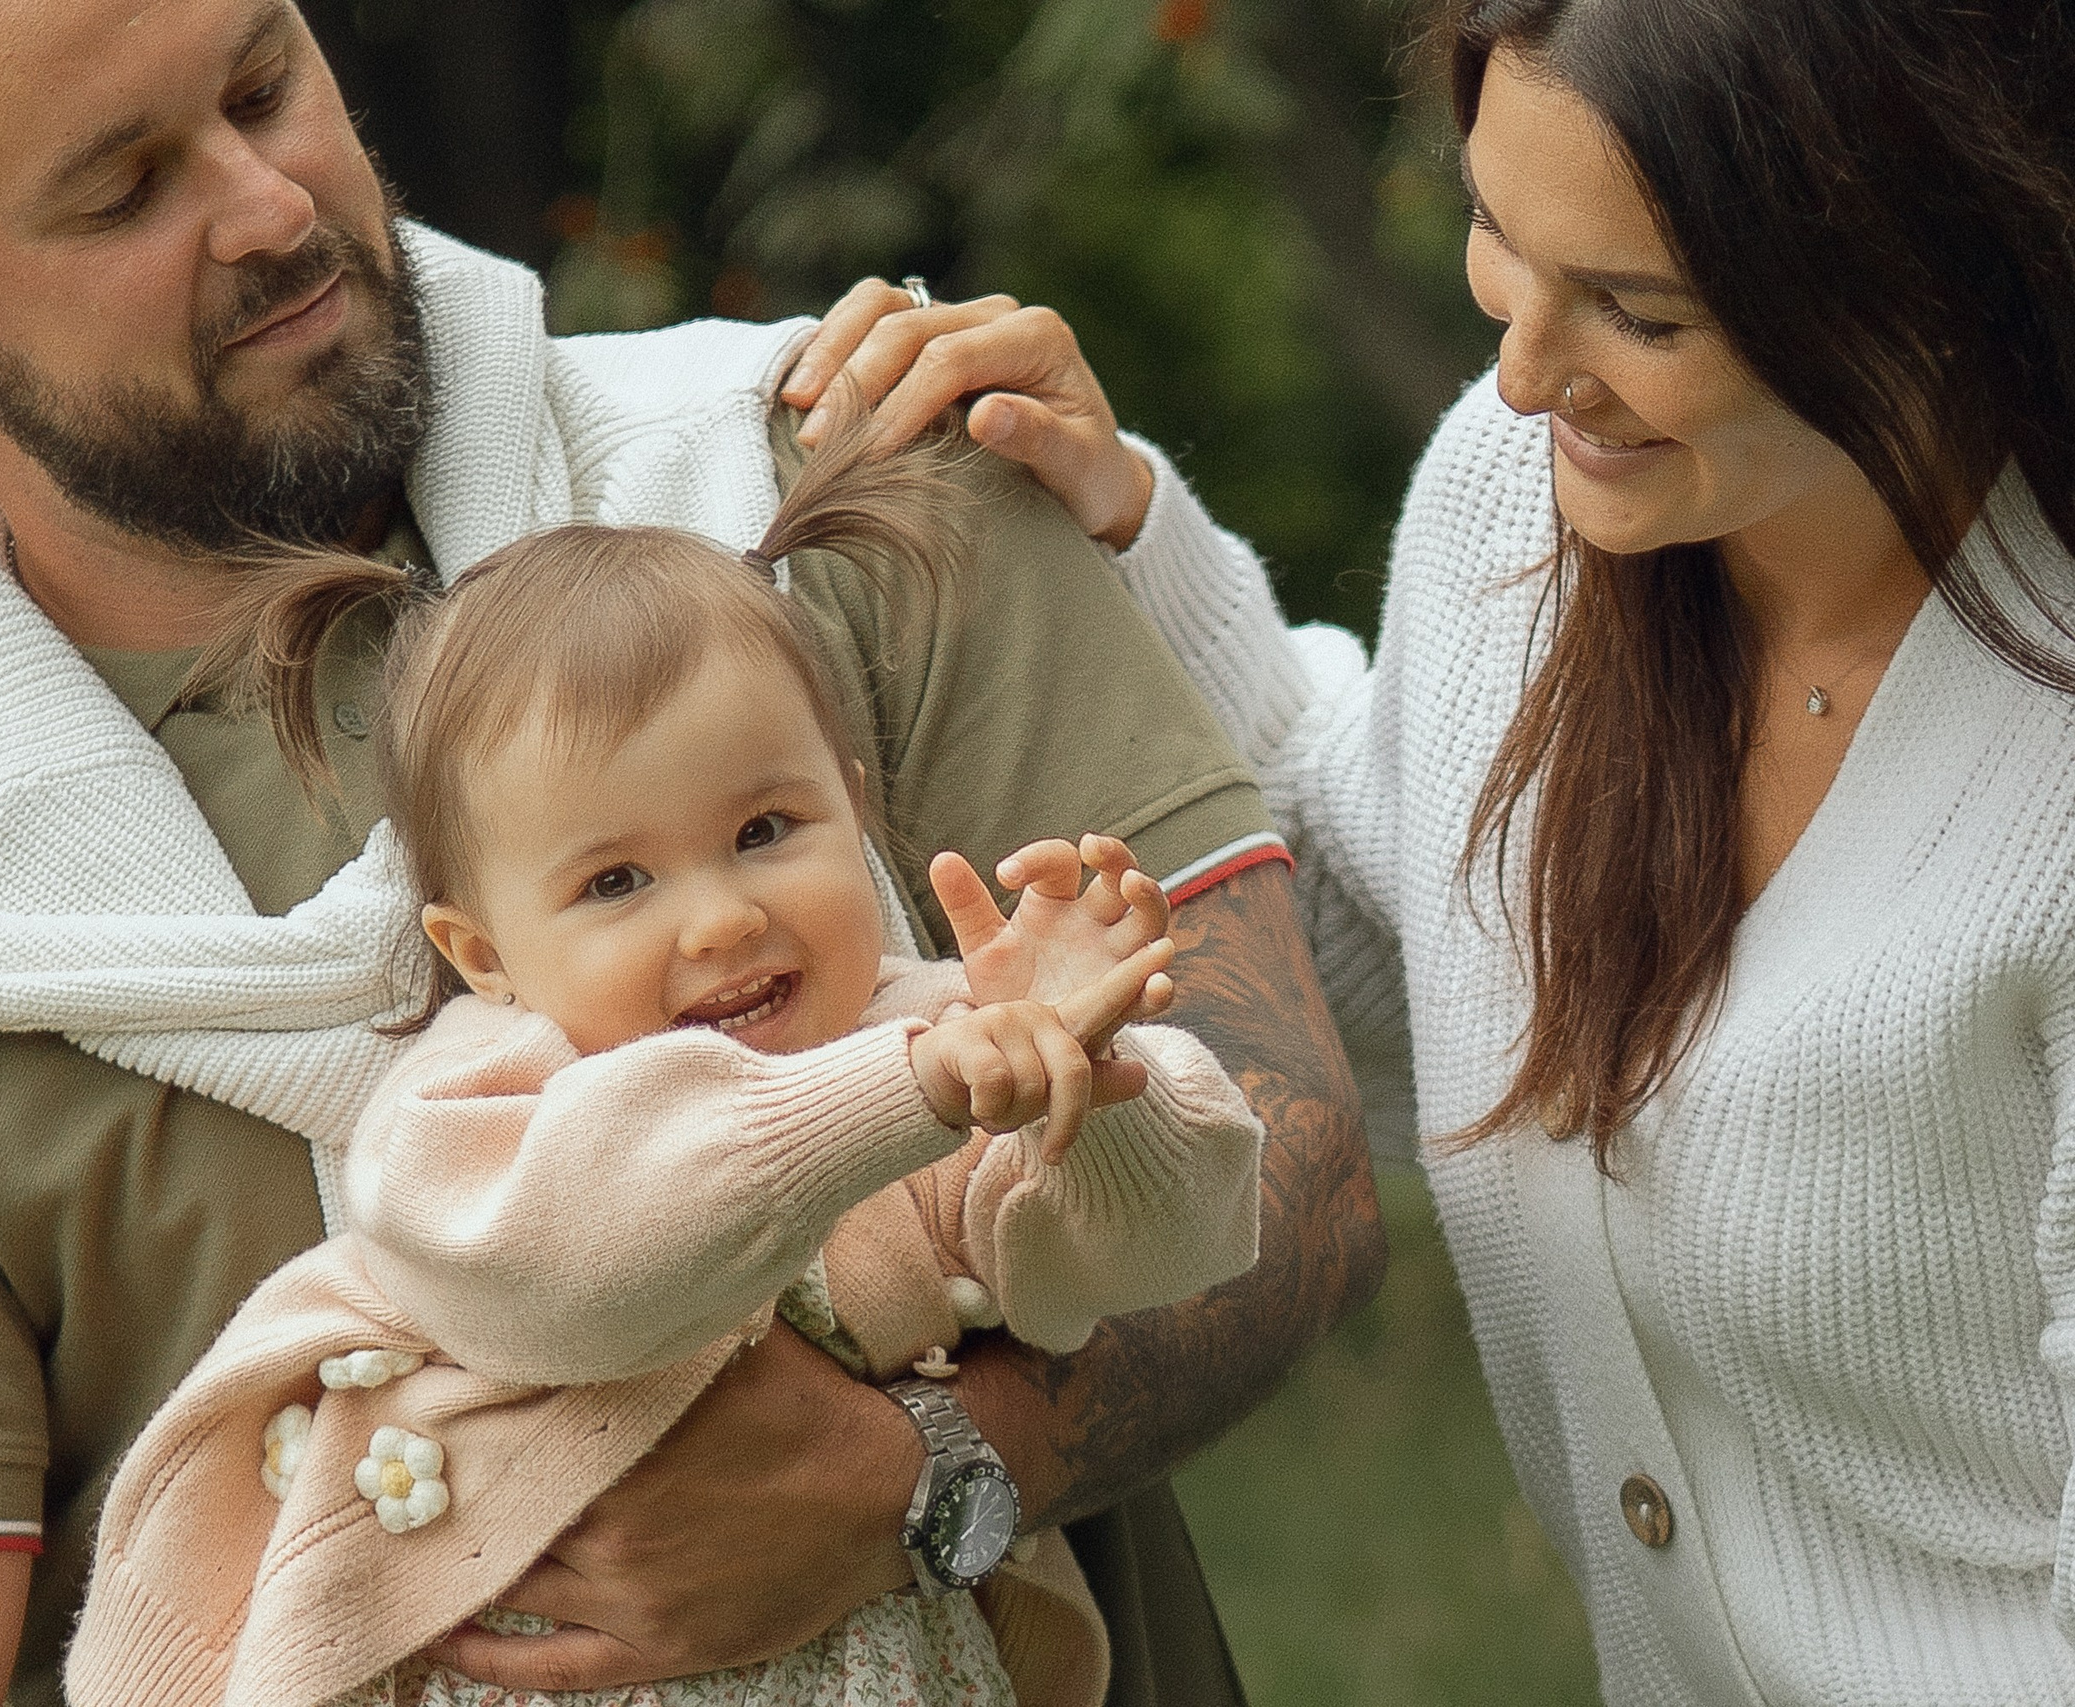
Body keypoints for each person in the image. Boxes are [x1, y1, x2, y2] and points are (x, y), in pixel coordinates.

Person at [0, 1, 1381, 1701]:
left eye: (262, 83)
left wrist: (922, 1473)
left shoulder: (837, 480)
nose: (270, 206)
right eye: (124, 188)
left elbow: (1287, 1153)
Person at [821, 0, 2075, 1698]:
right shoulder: (1521, 493)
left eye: (1639, 311)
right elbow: (1398, 922)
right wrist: (1110, 525)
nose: (1524, 372)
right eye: (1497, 233)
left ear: (1930, 265)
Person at [62, 424, 1265, 1707]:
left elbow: (1164, 1252)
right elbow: (589, 1261)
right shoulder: (481, 1108)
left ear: (853, 813)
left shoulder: (932, 1042)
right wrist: (915, 1087)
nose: (721, 921)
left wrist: (1084, 1082)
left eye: (764, 829)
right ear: (484, 954)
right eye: (616, 881)